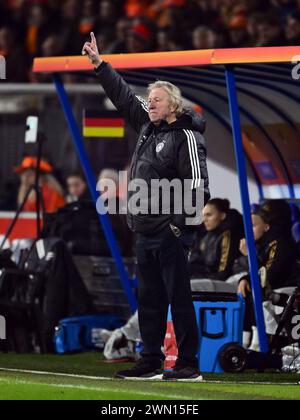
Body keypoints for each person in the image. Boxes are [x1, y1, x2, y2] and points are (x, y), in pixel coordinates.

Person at [82, 32, 210, 381]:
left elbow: (198, 187)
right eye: (149, 99)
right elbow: (124, 98)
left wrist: (179, 228)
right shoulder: (147, 128)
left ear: (173, 106)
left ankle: (188, 364)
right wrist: (100, 64)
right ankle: (151, 360)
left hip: (169, 232)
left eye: (156, 100)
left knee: (178, 299)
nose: (150, 103)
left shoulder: (184, 136)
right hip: (145, 231)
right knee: (149, 301)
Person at [237, 200, 299, 350]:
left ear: (267, 225)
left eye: (253, 226)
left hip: (288, 289)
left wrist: (249, 257)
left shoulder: (279, 242)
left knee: (259, 293)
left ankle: (259, 343)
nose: (248, 230)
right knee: (248, 288)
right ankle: (246, 341)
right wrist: (245, 278)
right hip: (277, 288)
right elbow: (262, 272)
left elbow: (269, 276)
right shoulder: (267, 243)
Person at [189, 198, 244, 285]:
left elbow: (223, 273)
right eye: (203, 215)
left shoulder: (228, 235)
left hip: (227, 281)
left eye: (209, 215)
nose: (204, 219)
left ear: (222, 215)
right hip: (211, 278)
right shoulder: (206, 235)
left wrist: (193, 277)